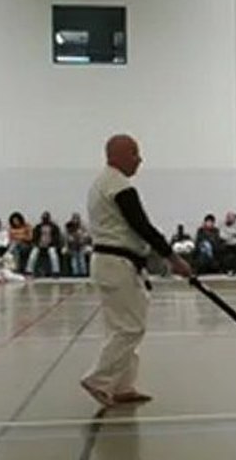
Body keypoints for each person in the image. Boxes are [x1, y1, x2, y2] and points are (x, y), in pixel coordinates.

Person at [80, 134, 192, 409]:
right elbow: (142, 225)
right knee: (131, 328)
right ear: (116, 155)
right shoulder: (118, 185)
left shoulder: (102, 183)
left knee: (121, 327)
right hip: (117, 263)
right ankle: (98, 379)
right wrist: (173, 258)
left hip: (112, 263)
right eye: (134, 153)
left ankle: (122, 386)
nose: (139, 160)